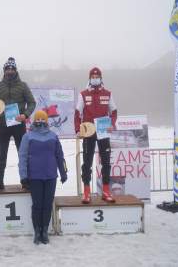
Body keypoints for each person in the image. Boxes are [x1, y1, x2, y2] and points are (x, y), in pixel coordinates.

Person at [18, 110, 67, 245]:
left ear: (47, 121)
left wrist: (63, 172)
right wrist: (23, 176)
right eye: (38, 119)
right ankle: (37, 231)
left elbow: (59, 156)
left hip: (51, 176)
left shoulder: (53, 136)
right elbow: (22, 157)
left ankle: (45, 230)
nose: (40, 122)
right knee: (37, 205)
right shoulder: (27, 137)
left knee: (47, 205)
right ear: (34, 121)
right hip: (35, 177)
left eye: (42, 119)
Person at [0, 57, 36, 191]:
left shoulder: (23, 85)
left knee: (22, 153)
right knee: (2, 154)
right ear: (4, 70)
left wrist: (25, 115)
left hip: (18, 124)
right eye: (7, 69)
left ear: (15, 70)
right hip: (3, 124)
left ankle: (25, 180)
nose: (10, 71)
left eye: (12, 69)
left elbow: (32, 102)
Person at [74, 67, 117, 204]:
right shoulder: (83, 94)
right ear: (89, 79)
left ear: (101, 78)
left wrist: (113, 123)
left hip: (103, 129)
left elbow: (114, 111)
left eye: (97, 76)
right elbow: (77, 113)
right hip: (88, 131)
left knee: (106, 161)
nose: (95, 78)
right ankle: (86, 193)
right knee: (87, 162)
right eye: (92, 77)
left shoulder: (108, 94)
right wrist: (77, 129)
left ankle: (106, 191)